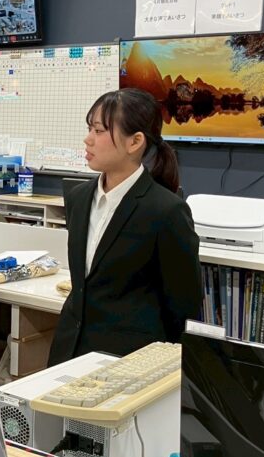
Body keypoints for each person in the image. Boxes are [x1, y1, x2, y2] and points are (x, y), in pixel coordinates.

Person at [48, 88, 202, 367]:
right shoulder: (78, 198)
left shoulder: (166, 211)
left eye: (99, 131)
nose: (88, 139)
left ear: (135, 142)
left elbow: (183, 306)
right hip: (69, 351)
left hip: (128, 361)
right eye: (89, 129)